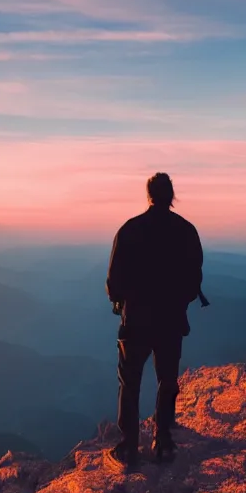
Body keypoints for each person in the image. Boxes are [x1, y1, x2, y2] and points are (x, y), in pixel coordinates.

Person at [105, 173, 204, 471]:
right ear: (172, 196)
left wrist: (120, 300)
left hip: (136, 320)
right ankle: (162, 442)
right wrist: (178, 302)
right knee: (167, 380)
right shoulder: (186, 231)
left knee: (130, 381)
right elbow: (194, 278)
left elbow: (114, 281)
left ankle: (128, 448)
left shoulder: (130, 229)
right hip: (171, 320)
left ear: (148, 195)